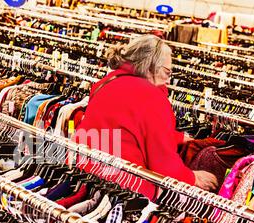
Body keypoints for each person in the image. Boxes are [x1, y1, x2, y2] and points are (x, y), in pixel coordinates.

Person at [73, 34, 218, 200]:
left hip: (83, 174)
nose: (168, 80)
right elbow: (163, 163)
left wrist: (175, 137)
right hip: (122, 188)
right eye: (167, 71)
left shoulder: (107, 82)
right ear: (151, 67)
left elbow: (123, 127)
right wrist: (193, 178)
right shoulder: (151, 96)